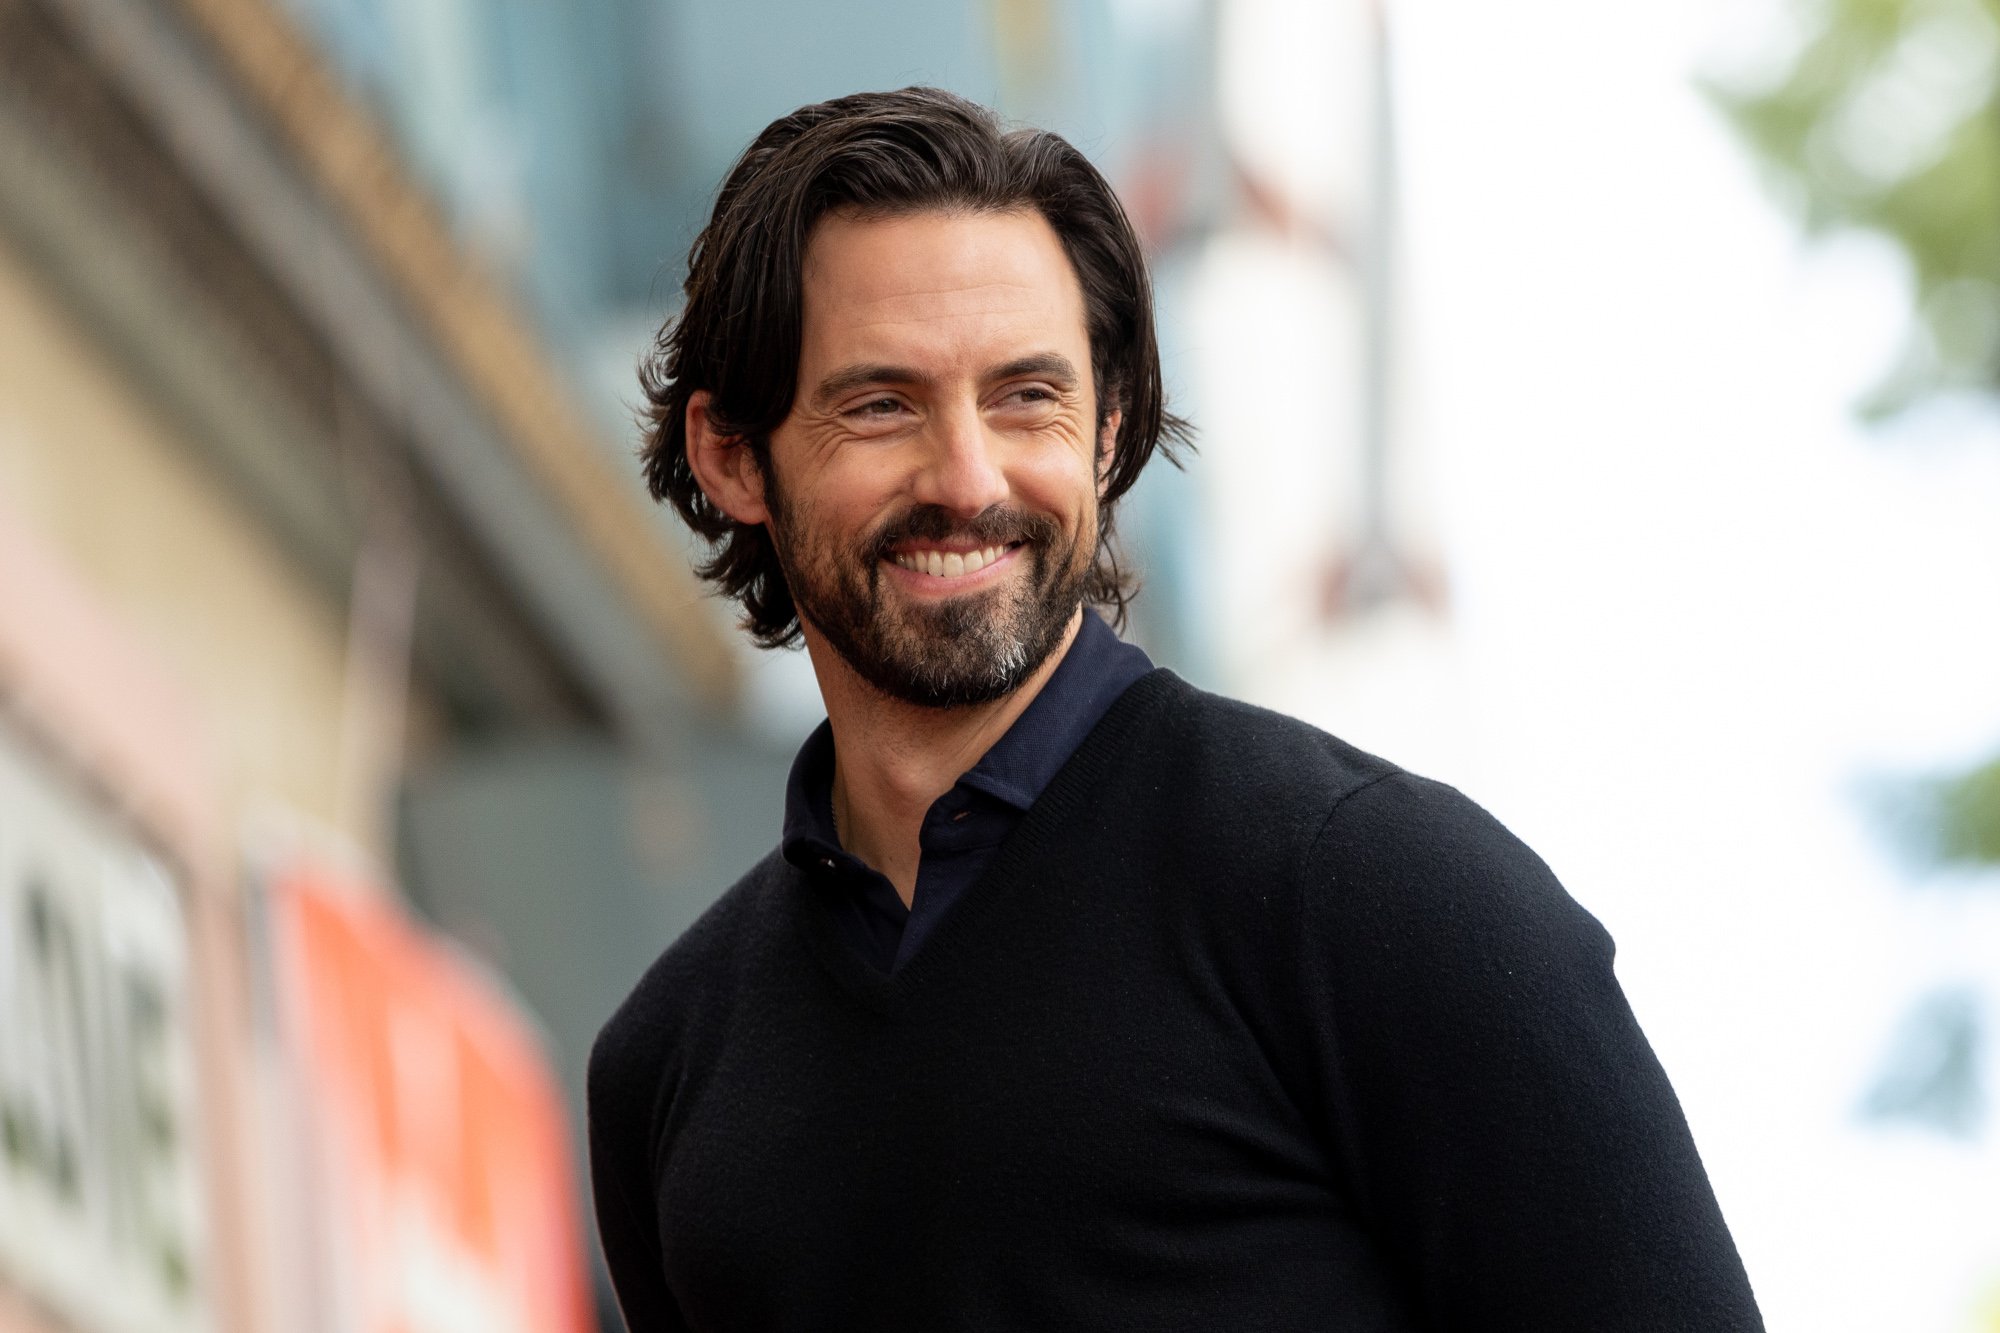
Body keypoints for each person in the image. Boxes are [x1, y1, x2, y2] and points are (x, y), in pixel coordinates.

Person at [587, 86, 1763, 1332]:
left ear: (1105, 434)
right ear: (730, 456)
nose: (968, 477)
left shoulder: (1370, 891)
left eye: (1025, 397)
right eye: (881, 404)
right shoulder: (667, 1068)